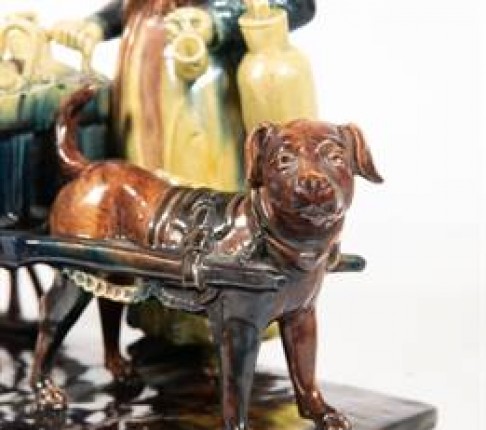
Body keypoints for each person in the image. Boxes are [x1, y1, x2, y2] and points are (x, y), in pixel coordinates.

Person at [50, 1, 317, 345]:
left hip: (206, 91)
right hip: (142, 81)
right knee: (139, 207)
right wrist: (98, 24)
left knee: (202, 205)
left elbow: (296, 4)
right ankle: (163, 325)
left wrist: (216, 22)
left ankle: (213, 332)